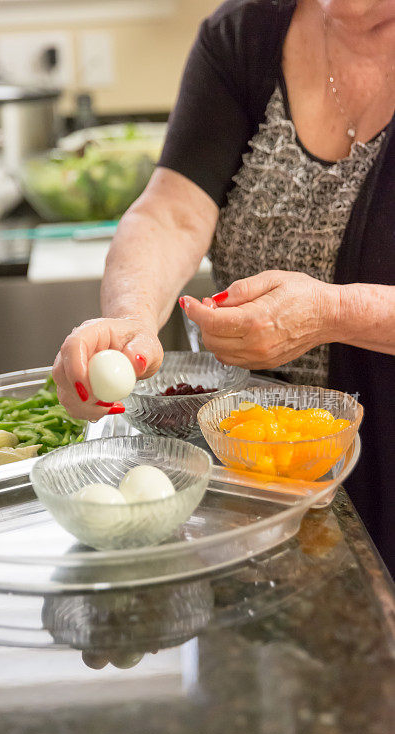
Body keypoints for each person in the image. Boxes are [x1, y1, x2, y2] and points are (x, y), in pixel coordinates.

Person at [53, 0, 395, 572]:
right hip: (257, 504)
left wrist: (333, 312)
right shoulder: (246, 34)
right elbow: (171, 213)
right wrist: (132, 320)